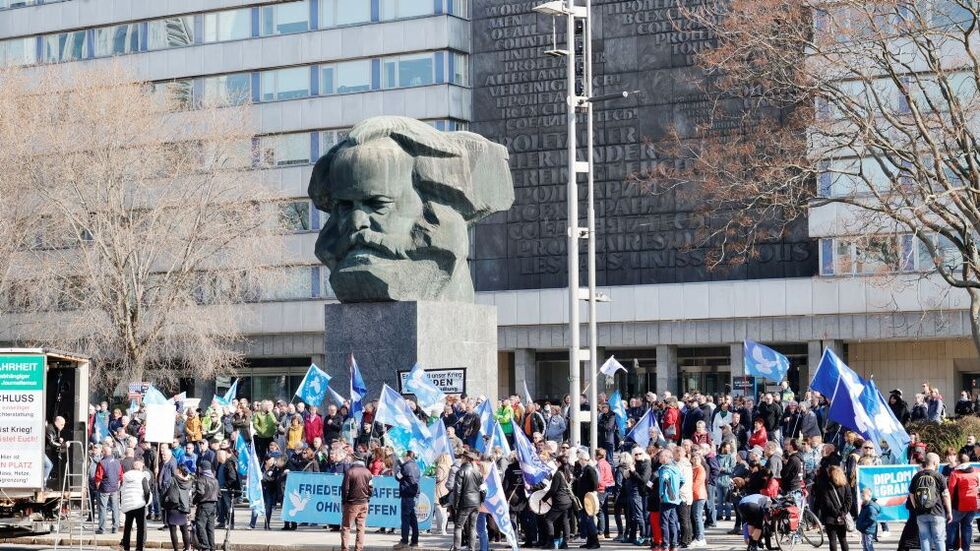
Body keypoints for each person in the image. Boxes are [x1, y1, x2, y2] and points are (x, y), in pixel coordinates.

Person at [908, 452, 952, 551]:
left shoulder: (917, 476)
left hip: (921, 513)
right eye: (939, 462)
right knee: (939, 539)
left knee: (924, 539)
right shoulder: (939, 476)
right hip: (937, 512)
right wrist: (949, 512)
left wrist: (916, 507)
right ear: (935, 462)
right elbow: (945, 495)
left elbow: (911, 494)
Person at [451, 451, 484, 551]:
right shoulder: (477, 472)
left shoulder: (460, 471)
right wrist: (480, 501)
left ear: (466, 459)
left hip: (465, 502)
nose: (461, 459)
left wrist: (455, 504)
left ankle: (457, 548)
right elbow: (483, 489)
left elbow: (457, 490)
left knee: (458, 526)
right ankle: (472, 548)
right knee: (472, 527)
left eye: (462, 458)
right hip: (476, 502)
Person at [946, 452, 978, 551]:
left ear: (959, 462)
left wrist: (948, 505)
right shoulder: (976, 471)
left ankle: (950, 548)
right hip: (973, 504)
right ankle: (966, 549)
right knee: (967, 527)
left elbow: (950, 490)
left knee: (952, 526)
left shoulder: (955, 473)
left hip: (959, 506)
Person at [340, 458, 373, 551]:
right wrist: (368, 498)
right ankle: (359, 548)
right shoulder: (368, 472)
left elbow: (345, 489)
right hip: (364, 502)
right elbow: (371, 488)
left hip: (351, 503)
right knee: (361, 527)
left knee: (346, 527)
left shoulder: (349, 472)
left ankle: (345, 548)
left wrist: (344, 501)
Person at [816, 465, 852, 551]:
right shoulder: (845, 484)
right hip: (842, 517)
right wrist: (843, 512)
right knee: (843, 540)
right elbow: (849, 499)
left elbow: (826, 502)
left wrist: (836, 513)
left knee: (832, 541)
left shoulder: (826, 485)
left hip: (830, 517)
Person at [119, 459, 151, 551]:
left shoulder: (125, 476)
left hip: (128, 504)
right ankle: (139, 547)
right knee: (140, 527)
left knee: (127, 526)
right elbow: (146, 490)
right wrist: (146, 501)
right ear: (141, 467)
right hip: (139, 504)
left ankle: (126, 546)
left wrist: (123, 502)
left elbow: (122, 490)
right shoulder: (142, 476)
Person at [658, 449, 685, 551]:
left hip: (666, 499)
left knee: (664, 522)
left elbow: (663, 481)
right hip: (675, 499)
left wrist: (661, 494)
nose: (660, 458)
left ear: (666, 457)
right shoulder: (676, 469)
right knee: (672, 521)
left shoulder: (664, 469)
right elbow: (683, 480)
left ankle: (665, 545)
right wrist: (676, 489)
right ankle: (674, 545)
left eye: (661, 456)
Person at [573, 450, 600, 549]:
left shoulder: (589, 469)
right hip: (583, 500)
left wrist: (592, 494)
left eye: (580, 459)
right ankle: (589, 541)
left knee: (590, 521)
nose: (579, 461)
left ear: (584, 459)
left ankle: (595, 542)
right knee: (585, 521)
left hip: (588, 499)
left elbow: (594, 483)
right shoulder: (583, 469)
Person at [162, 465, 193, 551]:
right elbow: (190, 496)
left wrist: (163, 501)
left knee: (173, 530)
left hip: (173, 506)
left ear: (179, 471)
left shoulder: (172, 479)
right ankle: (187, 548)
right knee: (184, 529)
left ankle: (176, 549)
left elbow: (165, 490)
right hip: (184, 507)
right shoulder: (188, 482)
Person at [94, 444, 123, 534]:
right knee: (115, 508)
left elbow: (98, 477)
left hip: (104, 488)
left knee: (103, 508)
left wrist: (98, 487)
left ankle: (102, 528)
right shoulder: (117, 462)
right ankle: (115, 527)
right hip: (114, 488)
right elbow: (120, 475)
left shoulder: (102, 463)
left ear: (104, 452)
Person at [395, 450, 421, 548]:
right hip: (413, 494)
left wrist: (399, 467)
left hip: (407, 494)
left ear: (408, 456)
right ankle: (415, 541)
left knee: (405, 519)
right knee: (413, 519)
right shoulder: (416, 466)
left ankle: (404, 541)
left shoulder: (406, 466)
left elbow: (397, 477)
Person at [193, 460, 219, 551]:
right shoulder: (215, 480)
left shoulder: (201, 479)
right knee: (210, 527)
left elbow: (200, 492)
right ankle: (212, 546)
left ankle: (205, 546)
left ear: (202, 468)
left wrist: (194, 500)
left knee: (200, 525)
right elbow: (219, 494)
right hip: (213, 506)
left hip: (204, 505)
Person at [215, 449, 239, 530]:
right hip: (220, 489)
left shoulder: (228, 464)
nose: (217, 457)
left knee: (228, 507)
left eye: (218, 455)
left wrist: (226, 486)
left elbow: (232, 477)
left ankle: (230, 523)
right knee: (221, 507)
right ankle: (222, 521)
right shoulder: (219, 464)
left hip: (226, 490)